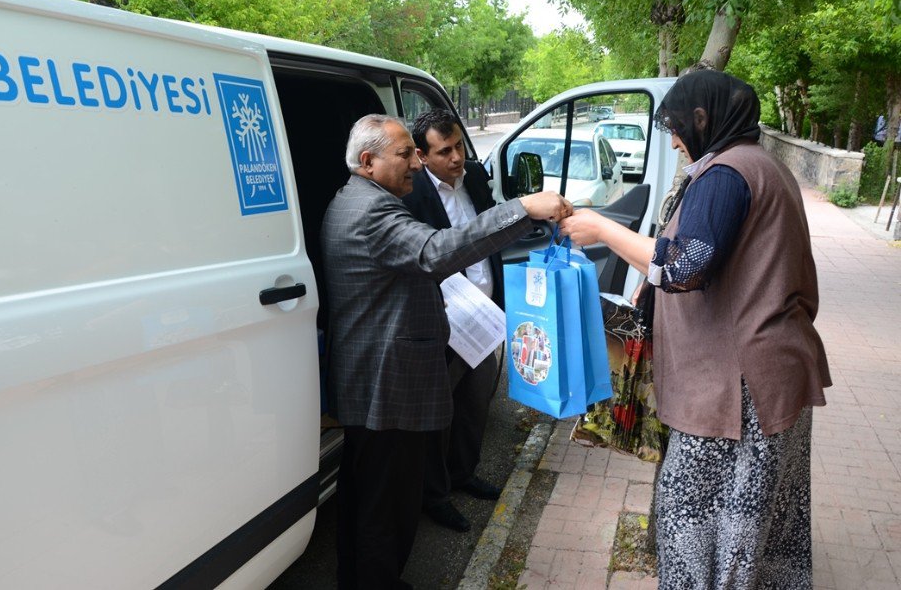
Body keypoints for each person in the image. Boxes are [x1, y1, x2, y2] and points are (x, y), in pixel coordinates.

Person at [561, 69, 832, 589]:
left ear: (703, 119)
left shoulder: (727, 174)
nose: (674, 138)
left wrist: (599, 228)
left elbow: (686, 265)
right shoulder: (759, 165)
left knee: (700, 511)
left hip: (738, 389)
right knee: (761, 513)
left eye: (677, 126)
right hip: (770, 372)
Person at [322, 114, 571, 589]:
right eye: (406, 153)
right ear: (369, 161)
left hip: (370, 377)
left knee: (365, 496)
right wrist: (523, 208)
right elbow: (437, 250)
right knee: (387, 504)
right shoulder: (375, 212)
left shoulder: (351, 199)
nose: (417, 161)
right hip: (387, 386)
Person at [400, 109, 505, 534]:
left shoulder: (476, 178)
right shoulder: (412, 195)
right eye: (445, 151)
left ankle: (464, 473)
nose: (458, 157)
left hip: (483, 316)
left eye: (459, 145)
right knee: (439, 417)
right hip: (444, 323)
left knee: (476, 402)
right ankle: (435, 496)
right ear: (423, 157)